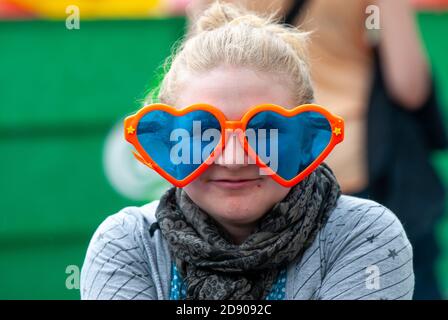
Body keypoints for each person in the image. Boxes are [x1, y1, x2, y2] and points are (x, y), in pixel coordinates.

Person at [80, 2, 413, 300]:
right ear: (171, 139)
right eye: (205, 133)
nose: (234, 159)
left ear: (303, 138)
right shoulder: (127, 242)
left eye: (264, 132)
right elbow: (410, 84)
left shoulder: (365, 235)